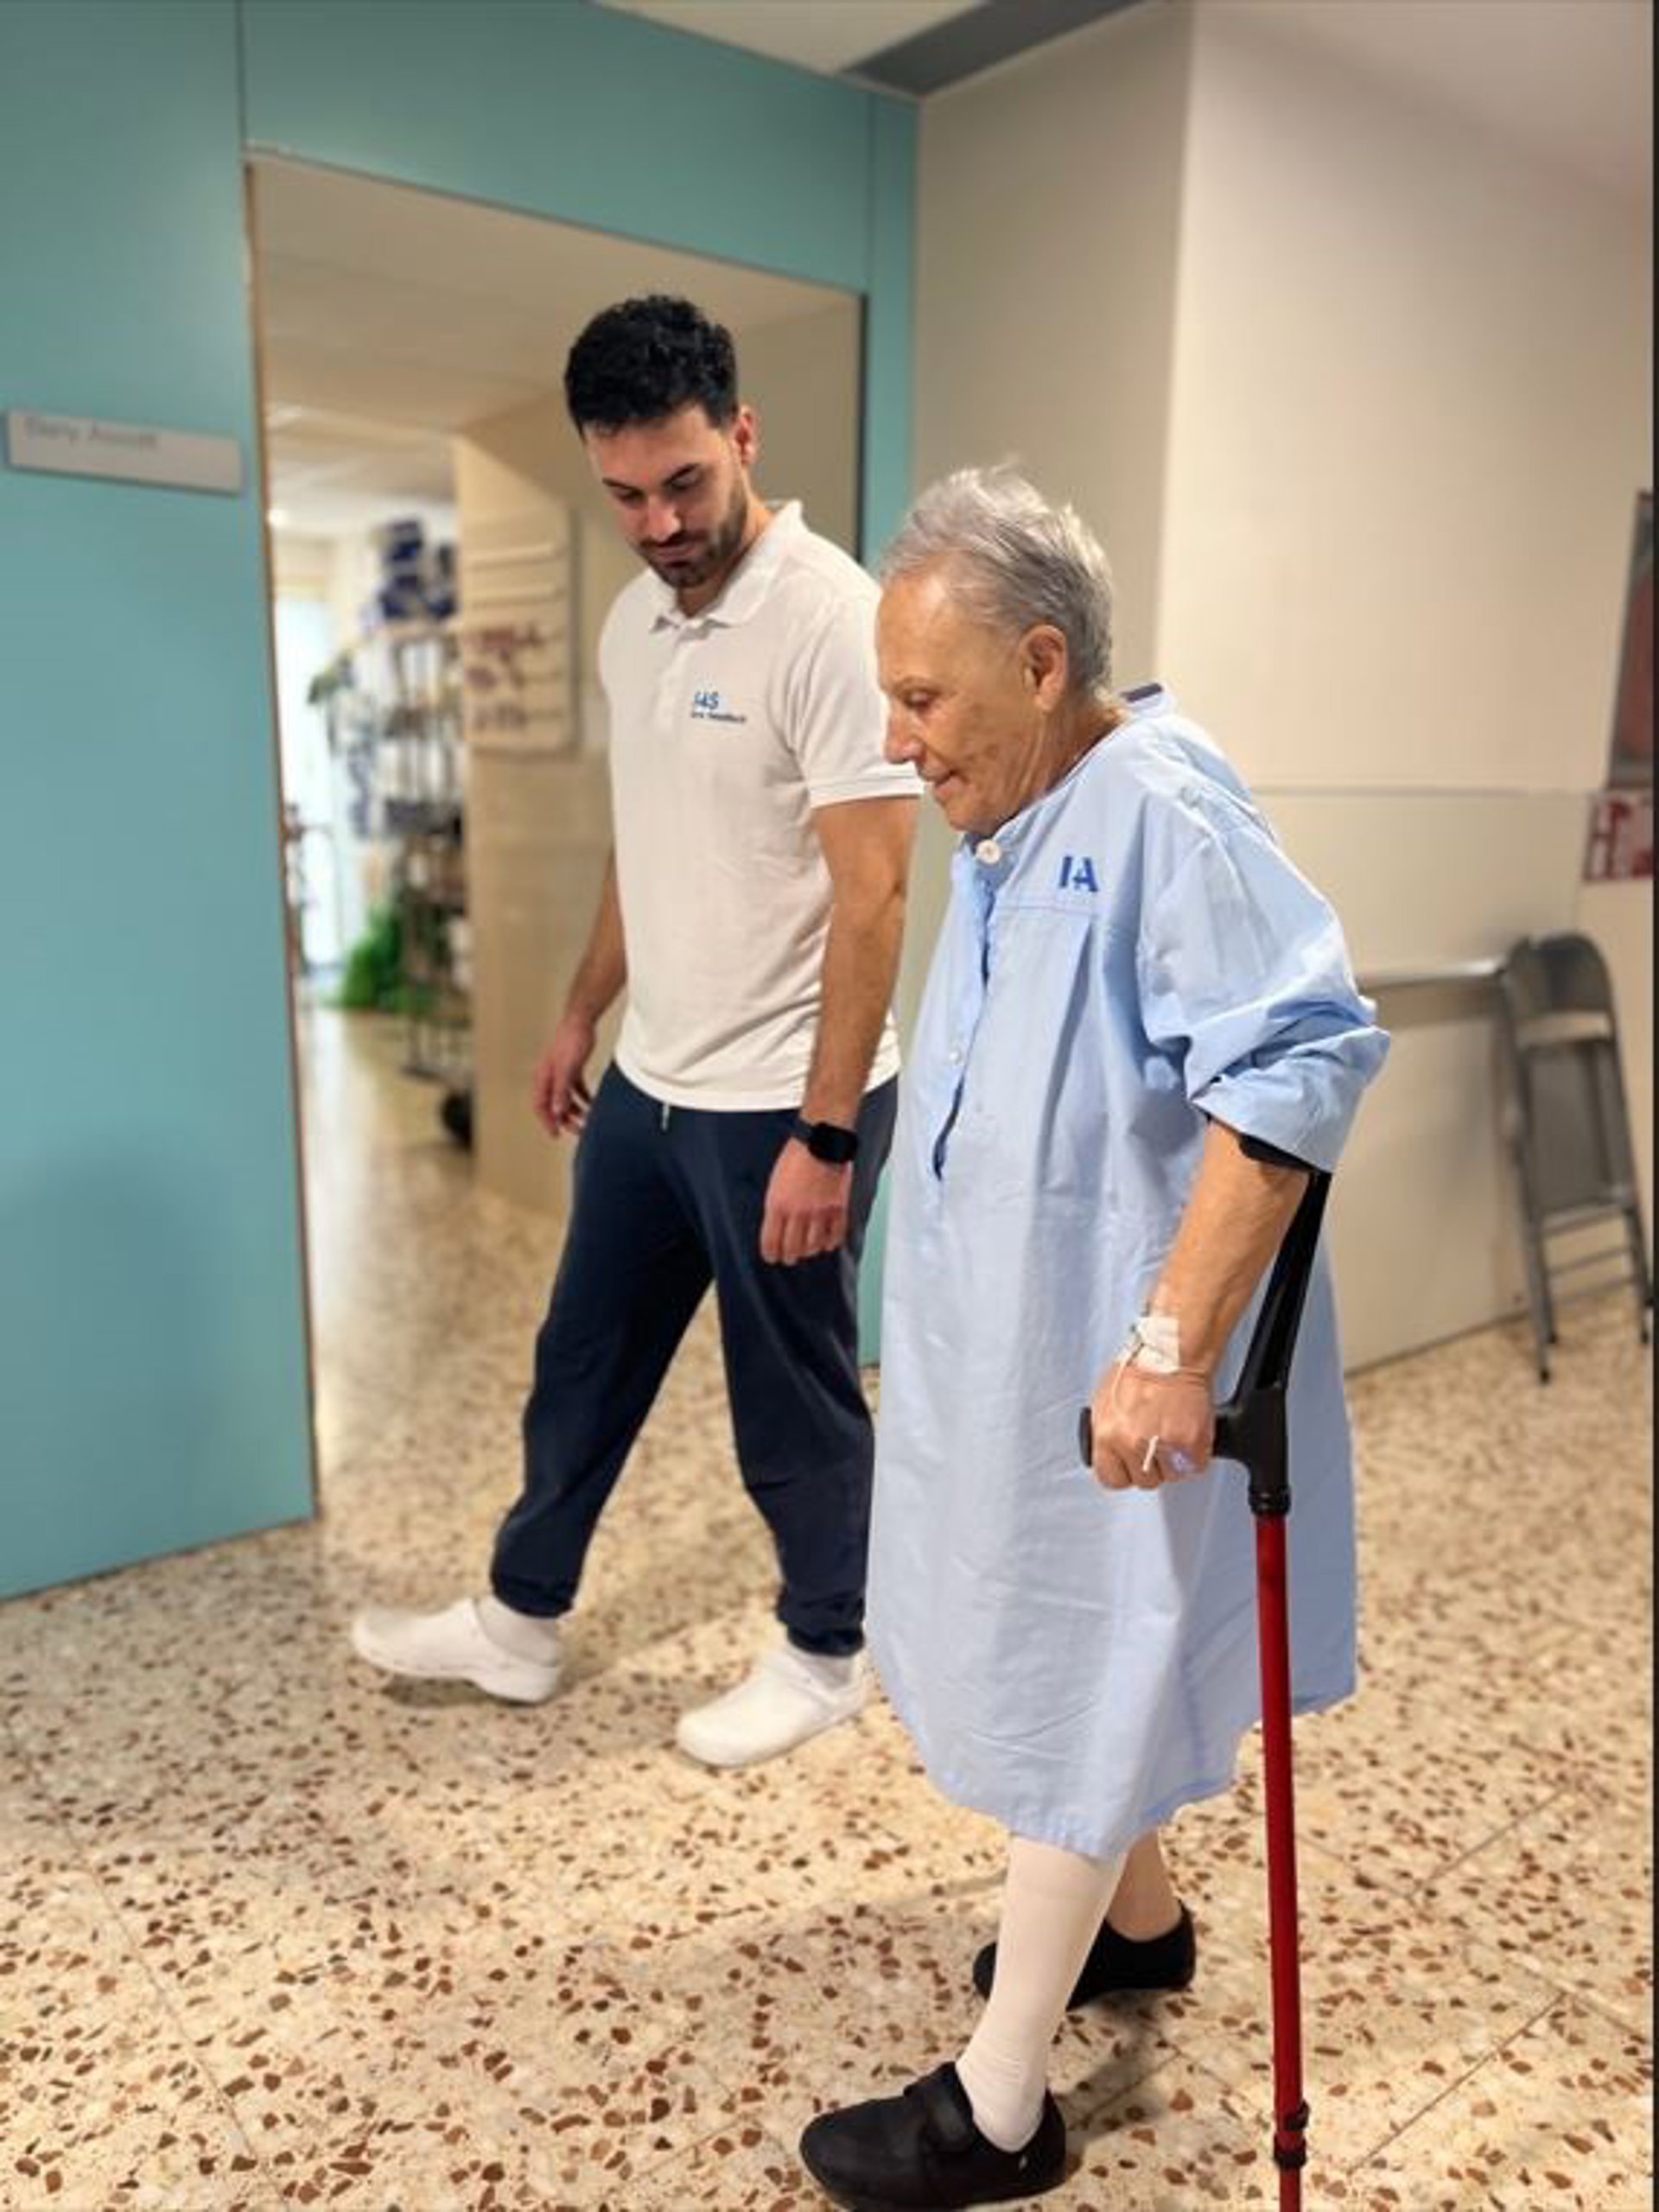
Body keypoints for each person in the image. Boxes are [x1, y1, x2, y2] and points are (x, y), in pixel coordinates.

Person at [798, 467, 1388, 2209]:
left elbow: (1297, 1059)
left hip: (1118, 1370)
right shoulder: (1015, 816)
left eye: (924, 697)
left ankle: (1001, 2107)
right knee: (1068, 1638)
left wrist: (1169, 1344)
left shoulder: (1158, 806)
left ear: (1043, 663)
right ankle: (1139, 1923)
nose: (900, 738)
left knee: (1082, 1659)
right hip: (1022, 1356)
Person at [351, 296, 919, 1770]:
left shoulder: (831, 619)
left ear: (744, 435)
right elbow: (645, 837)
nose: (660, 524)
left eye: (684, 482)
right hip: (652, 1083)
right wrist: (580, 1007)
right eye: (625, 494)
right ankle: (519, 1620)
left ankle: (826, 1649)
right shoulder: (633, 623)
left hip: (783, 1099)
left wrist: (827, 1133)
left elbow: (874, 896)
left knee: (788, 1394)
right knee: (580, 1362)